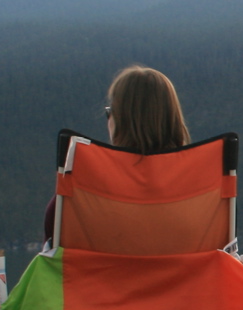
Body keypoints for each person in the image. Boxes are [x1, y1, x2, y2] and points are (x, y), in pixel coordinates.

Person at [43, 65, 190, 244]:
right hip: (188, 273)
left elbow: (54, 250)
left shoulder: (81, 191)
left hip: (99, 273)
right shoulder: (203, 189)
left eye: (109, 112)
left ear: (119, 120)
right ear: (173, 118)